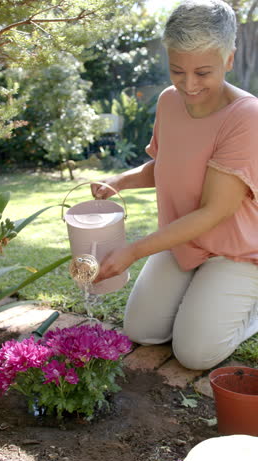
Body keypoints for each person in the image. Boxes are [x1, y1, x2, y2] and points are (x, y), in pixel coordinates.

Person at [91, 0, 258, 370]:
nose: (189, 84)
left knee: (194, 353)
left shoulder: (246, 116)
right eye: (177, 70)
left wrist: (133, 251)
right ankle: (203, 295)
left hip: (235, 251)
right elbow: (166, 165)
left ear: (229, 60)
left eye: (203, 72)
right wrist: (119, 180)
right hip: (181, 240)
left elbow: (215, 210)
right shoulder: (170, 101)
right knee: (141, 330)